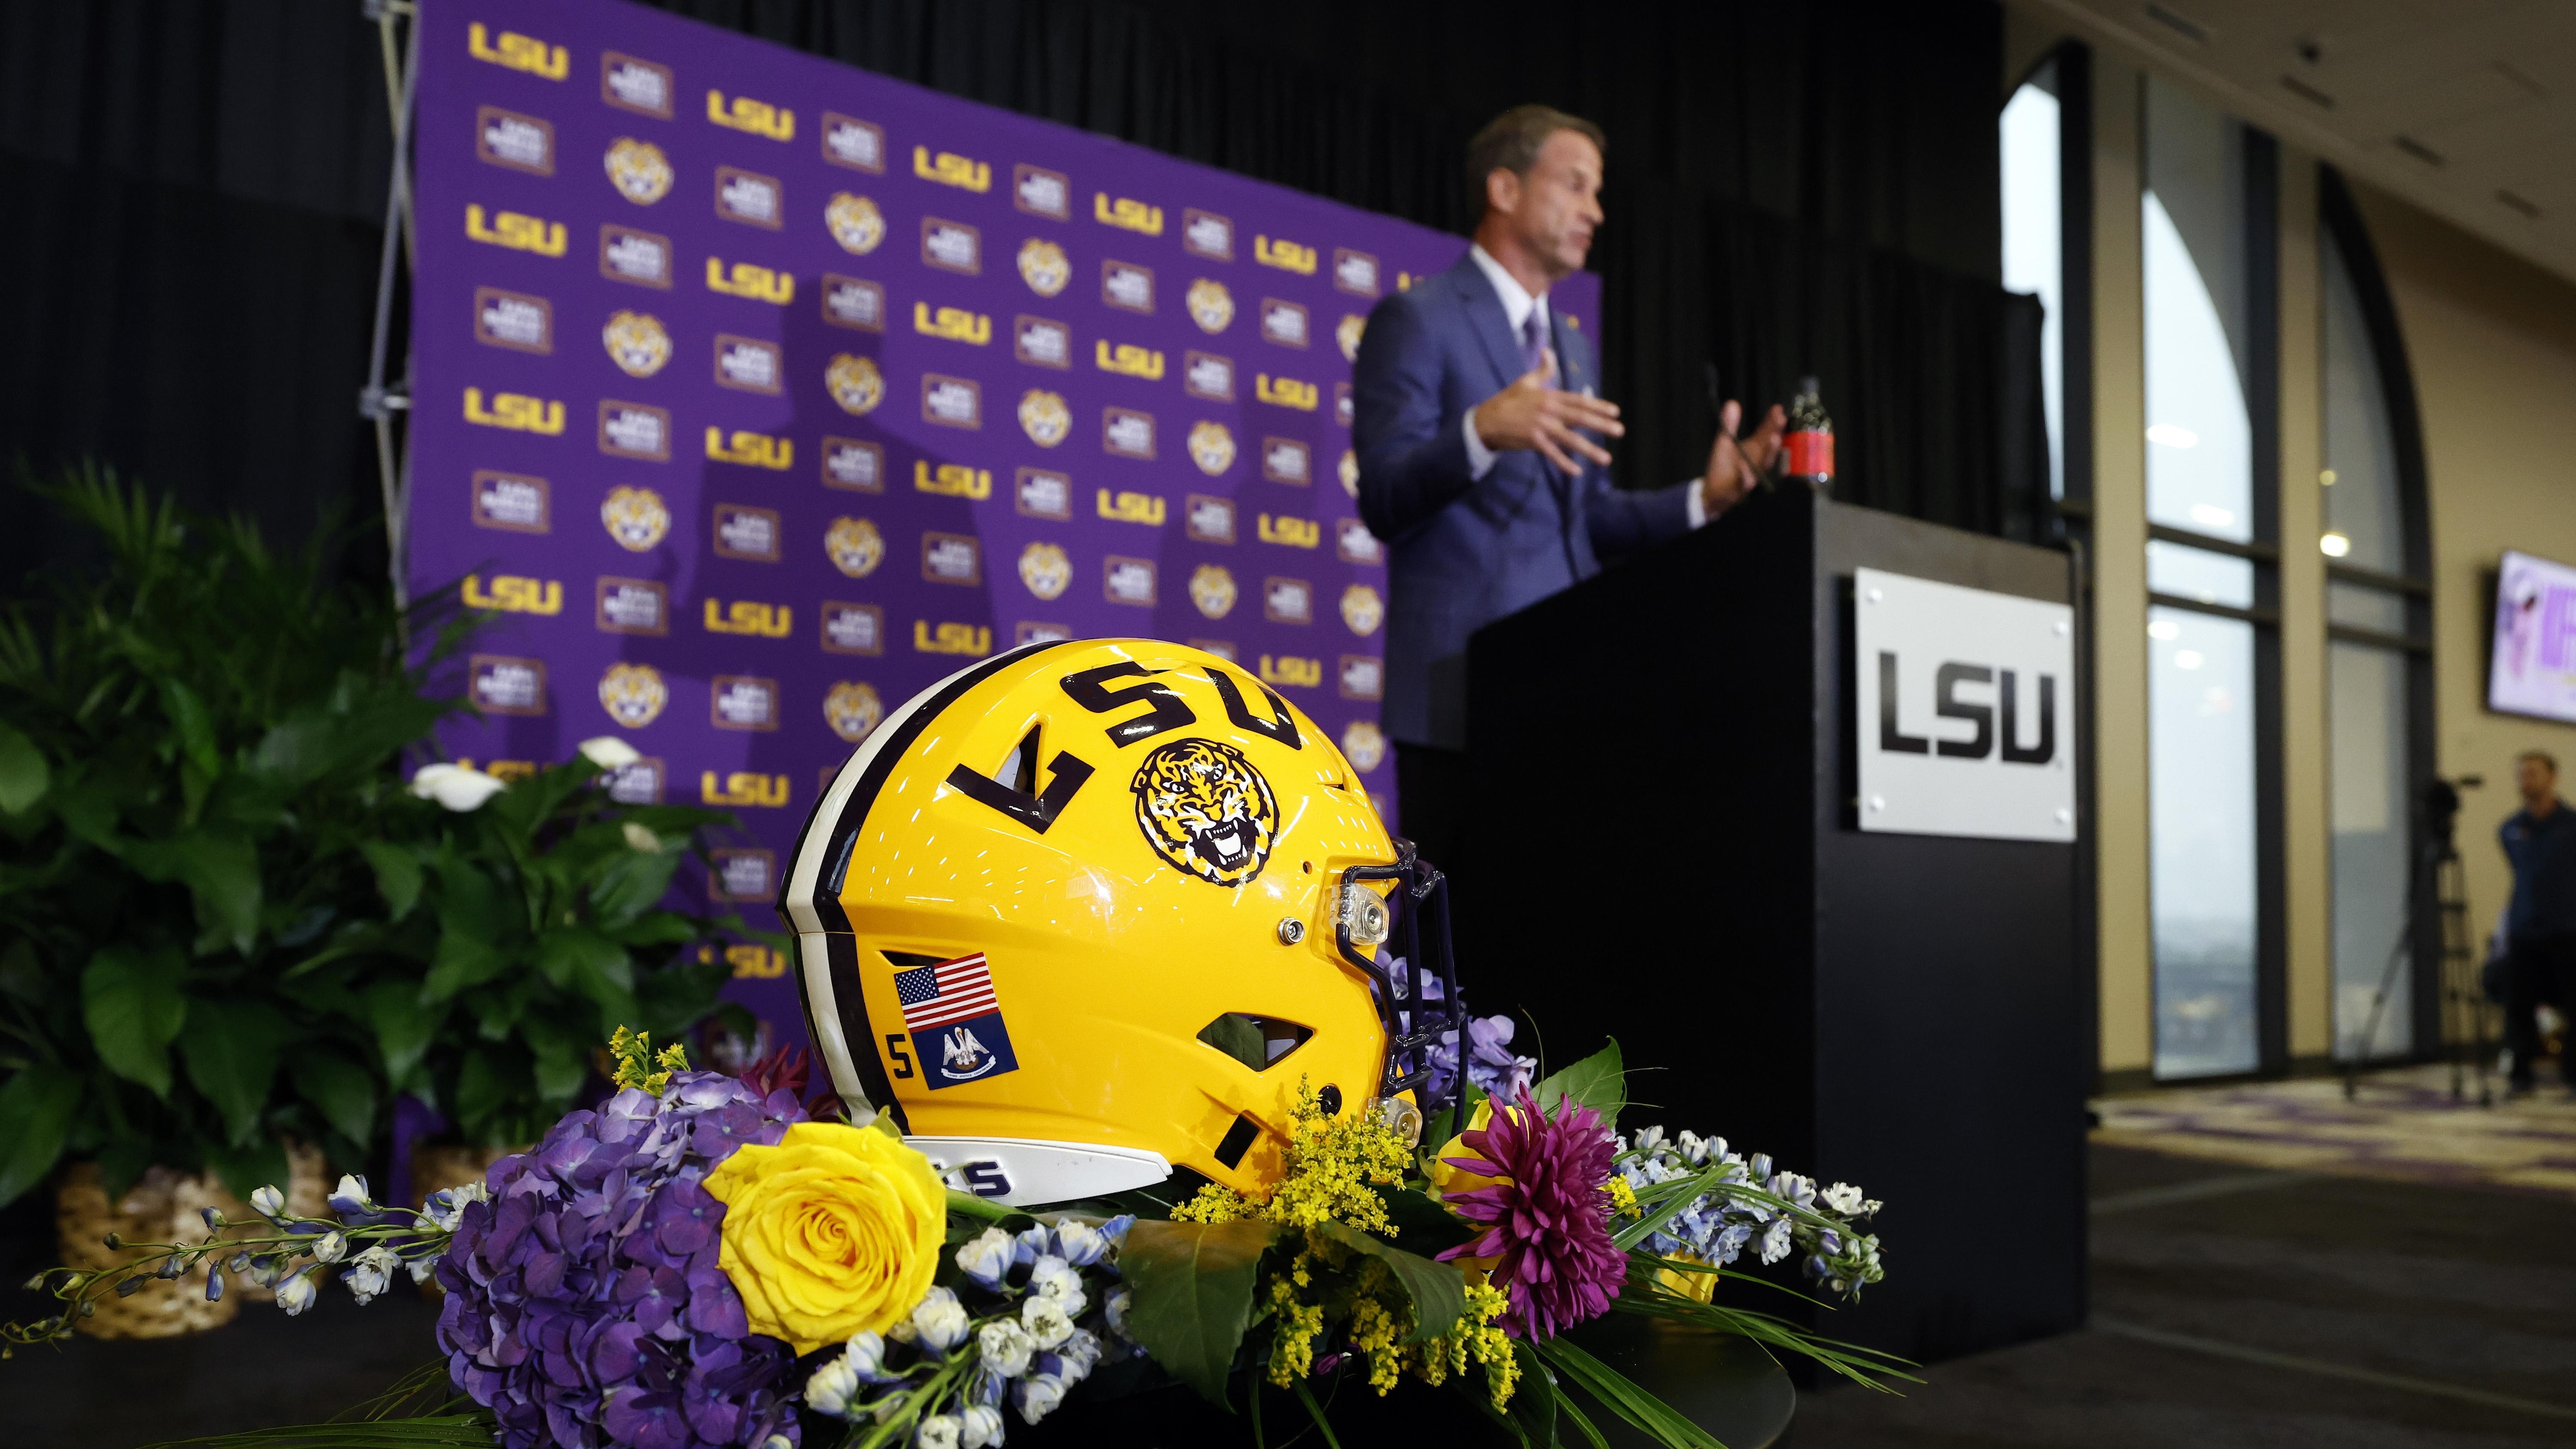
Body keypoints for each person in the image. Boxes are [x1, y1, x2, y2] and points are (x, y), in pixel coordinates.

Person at [1352, 104, 1783, 868]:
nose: (1596, 210)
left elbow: (1590, 521)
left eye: (1598, 191)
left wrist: (1705, 499)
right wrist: (1482, 429)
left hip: (1566, 695)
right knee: (1468, 954)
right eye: (1577, 186)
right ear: (1506, 189)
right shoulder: (1416, 319)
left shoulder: (1573, 346)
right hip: (1459, 699)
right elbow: (1384, 495)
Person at [2498, 749, 2576, 1095]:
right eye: (2522, 773)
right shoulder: (2511, 828)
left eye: (2533, 773)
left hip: (2567, 929)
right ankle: (2520, 1074)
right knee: (2519, 1005)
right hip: (2524, 930)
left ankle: (2572, 1074)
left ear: (2552, 777)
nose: (2526, 779)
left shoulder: (2571, 825)